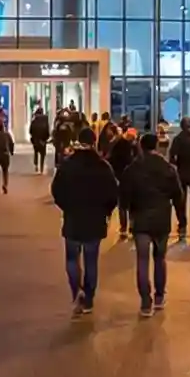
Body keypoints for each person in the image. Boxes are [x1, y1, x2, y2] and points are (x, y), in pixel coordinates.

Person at [50, 127, 120, 316]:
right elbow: (113, 194)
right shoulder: (103, 166)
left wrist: (66, 207)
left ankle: (76, 290)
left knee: (72, 259)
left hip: (73, 218)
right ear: (94, 141)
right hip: (95, 220)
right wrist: (106, 211)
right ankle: (88, 298)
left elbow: (56, 191)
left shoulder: (67, 165)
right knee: (91, 261)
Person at [122, 129, 182, 315]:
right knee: (159, 258)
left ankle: (145, 302)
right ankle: (159, 297)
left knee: (142, 260)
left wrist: (127, 213)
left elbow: (124, 196)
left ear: (140, 146)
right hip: (161, 219)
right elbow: (178, 195)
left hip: (141, 219)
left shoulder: (132, 169)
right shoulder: (168, 168)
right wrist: (182, 220)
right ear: (157, 145)